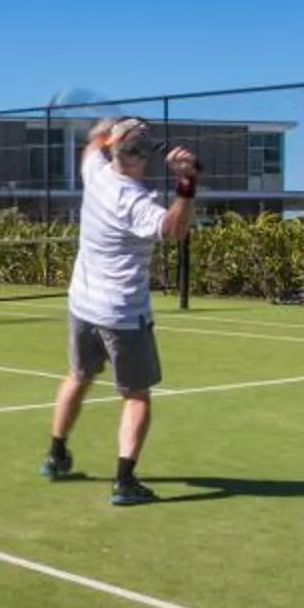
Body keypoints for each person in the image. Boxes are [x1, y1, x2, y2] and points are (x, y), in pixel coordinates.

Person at [43, 117, 199, 506]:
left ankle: (55, 454)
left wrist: (108, 128)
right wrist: (187, 183)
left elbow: (90, 146)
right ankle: (125, 482)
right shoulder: (137, 202)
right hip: (122, 314)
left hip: (82, 305)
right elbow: (175, 229)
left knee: (78, 375)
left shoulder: (95, 173)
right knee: (137, 396)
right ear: (142, 155)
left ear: (112, 148)